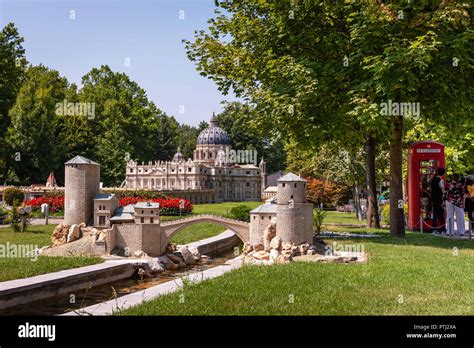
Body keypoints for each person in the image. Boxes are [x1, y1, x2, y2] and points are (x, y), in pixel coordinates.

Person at [430, 167, 445, 233]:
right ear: (443, 174)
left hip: (433, 199)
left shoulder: (433, 179)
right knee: (441, 214)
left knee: (435, 214)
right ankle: (442, 228)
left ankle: (434, 228)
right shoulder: (440, 180)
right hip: (439, 199)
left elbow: (431, 189)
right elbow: (442, 190)